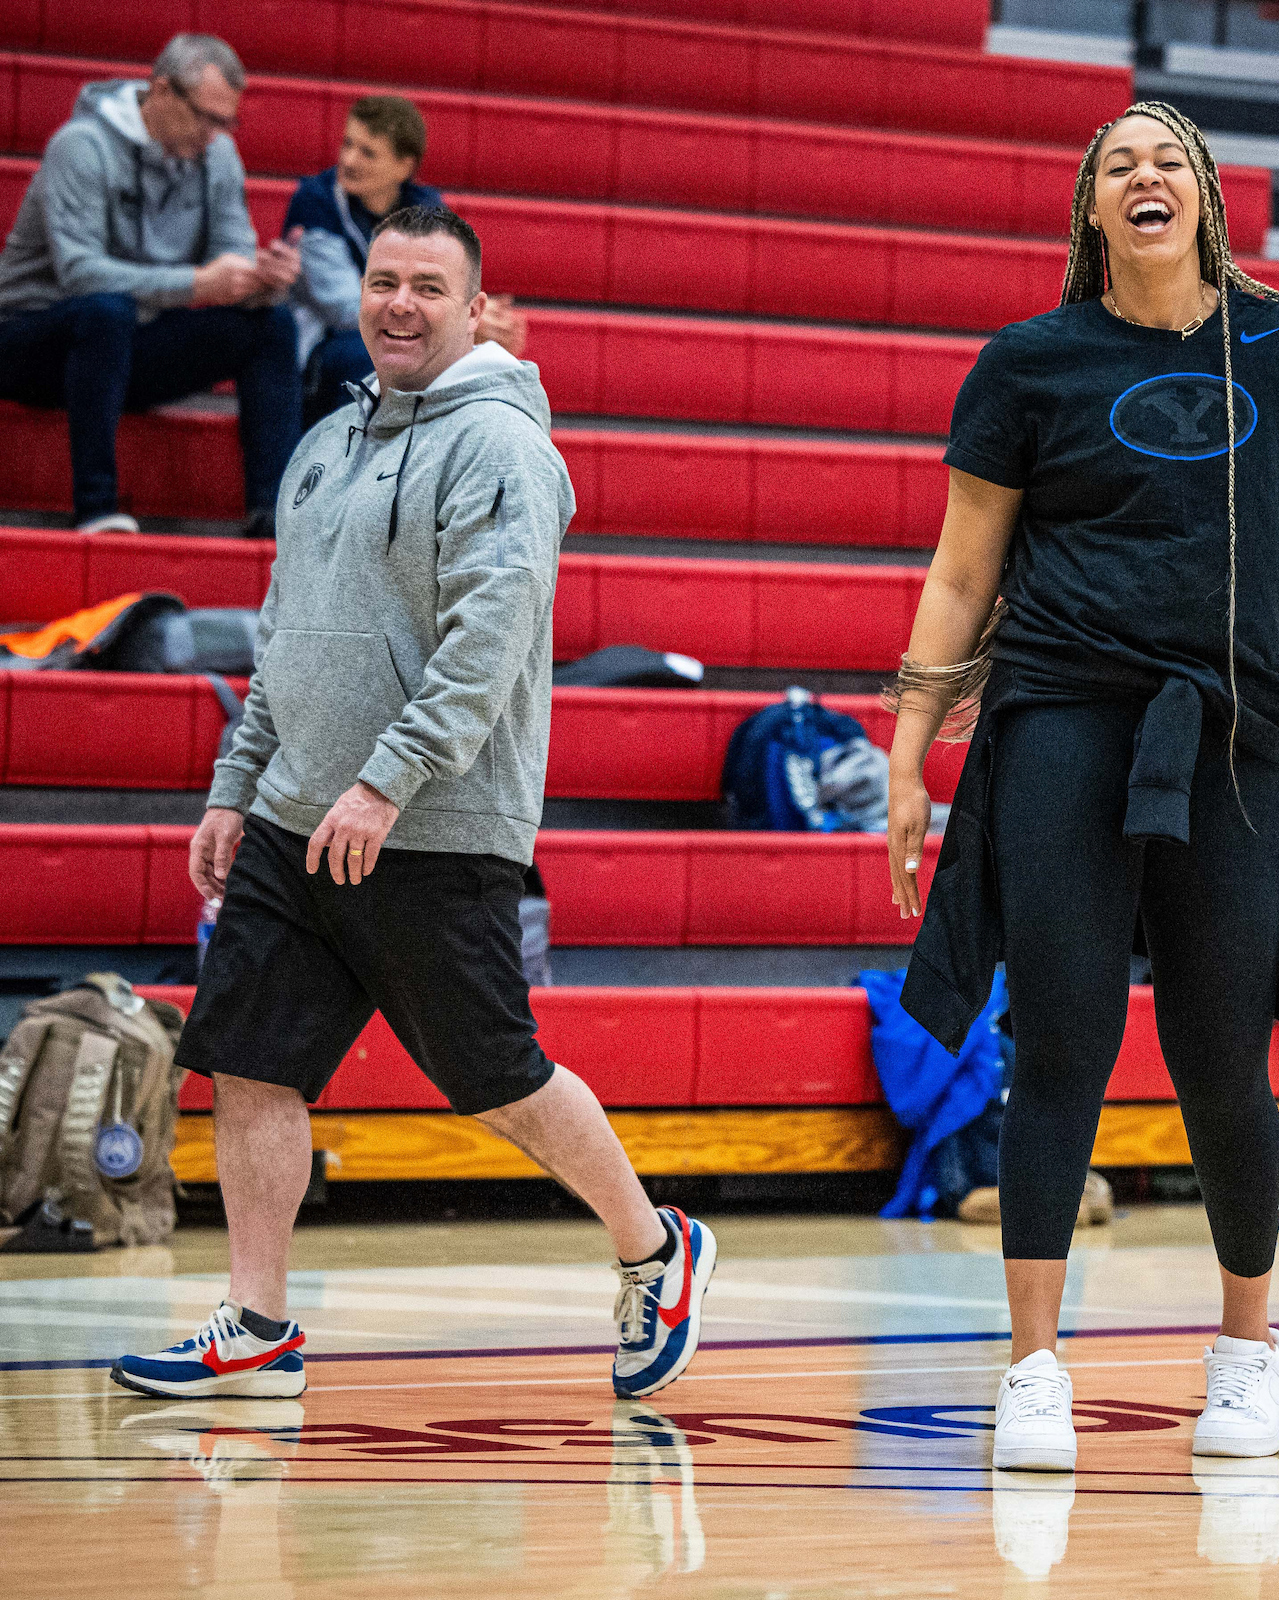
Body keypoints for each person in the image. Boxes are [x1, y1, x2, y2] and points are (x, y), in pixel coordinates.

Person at [884, 102, 1279, 1473]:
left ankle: (1248, 1350)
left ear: (1206, 199)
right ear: (1090, 210)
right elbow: (959, 574)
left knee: (1219, 1060)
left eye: (1167, 158)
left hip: (1237, 738)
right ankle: (1034, 1372)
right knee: (1058, 1042)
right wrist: (908, 751)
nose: (1144, 175)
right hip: (1062, 719)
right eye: (1117, 162)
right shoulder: (1028, 365)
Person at [109, 206, 715, 1405]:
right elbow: (286, 638)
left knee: (497, 1074)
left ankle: (657, 1248)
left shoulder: (505, 449)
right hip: (293, 822)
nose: (398, 303)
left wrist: (388, 780)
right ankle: (260, 1320)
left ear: (476, 307)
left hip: (431, 827)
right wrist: (240, 786)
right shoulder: (328, 442)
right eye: (382, 280)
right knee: (249, 1063)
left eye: (428, 287)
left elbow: (488, 643)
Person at [0, 33, 303, 539]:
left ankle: (277, 517)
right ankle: (96, 509)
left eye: (225, 120)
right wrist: (197, 284)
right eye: (205, 117)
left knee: (272, 324)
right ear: (161, 91)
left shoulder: (218, 155)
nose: (214, 134)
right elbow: (81, 275)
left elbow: (231, 255)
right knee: (105, 311)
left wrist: (260, 280)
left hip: (125, 351)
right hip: (34, 341)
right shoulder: (81, 147)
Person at [283, 94, 526, 425]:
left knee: (491, 364)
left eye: (367, 152)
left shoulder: (428, 209)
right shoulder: (316, 201)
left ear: (405, 167)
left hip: (401, 334)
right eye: (348, 143)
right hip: (321, 351)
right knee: (389, 360)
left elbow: (449, 289)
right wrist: (464, 324)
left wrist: (479, 323)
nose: (349, 160)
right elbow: (344, 305)